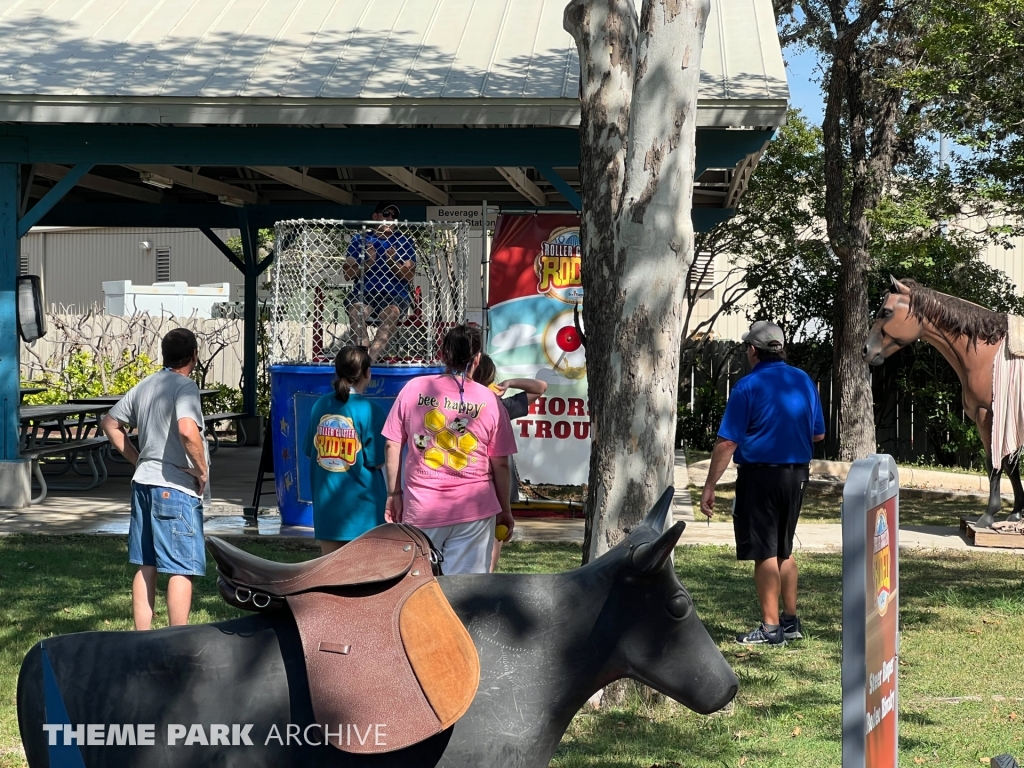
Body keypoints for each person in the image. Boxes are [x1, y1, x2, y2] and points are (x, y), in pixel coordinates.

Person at [700, 321, 825, 647]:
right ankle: (790, 621)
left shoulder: (747, 386)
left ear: (753, 350)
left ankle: (770, 629)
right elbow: (818, 434)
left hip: (760, 476)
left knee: (764, 552)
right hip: (797, 475)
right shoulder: (803, 380)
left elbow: (728, 442)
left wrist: (710, 485)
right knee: (785, 549)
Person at [382, 326, 517, 574]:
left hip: (422, 507)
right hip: (475, 511)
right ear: (477, 358)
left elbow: (392, 443)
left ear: (442, 354)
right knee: (465, 589)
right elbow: (500, 463)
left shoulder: (413, 388)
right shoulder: (491, 401)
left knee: (418, 584)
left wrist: (394, 493)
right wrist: (505, 510)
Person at [100, 328, 210, 630]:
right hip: (174, 487)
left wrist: (139, 460)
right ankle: (177, 638)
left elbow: (109, 423)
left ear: (165, 354)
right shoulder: (185, 387)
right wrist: (201, 469)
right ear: (193, 355)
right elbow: (187, 430)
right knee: (181, 566)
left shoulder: (146, 384)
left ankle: (142, 638)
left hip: (143, 485)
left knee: (145, 563)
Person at [304, 346, 387, 556]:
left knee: (329, 569)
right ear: (368, 373)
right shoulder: (371, 410)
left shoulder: (320, 405)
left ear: (337, 371)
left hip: (327, 509)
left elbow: (310, 451)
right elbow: (377, 461)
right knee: (363, 571)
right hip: (363, 512)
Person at [472, 353, 547, 571]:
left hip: (479, 483)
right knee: (494, 536)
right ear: (489, 378)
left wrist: (508, 383)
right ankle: (487, 575)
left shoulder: (499, 406)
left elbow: (540, 387)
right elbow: (540, 388)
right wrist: (509, 383)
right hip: (490, 483)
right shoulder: (497, 406)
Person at [344, 201, 416, 362]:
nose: (390, 218)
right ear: (375, 216)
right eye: (386, 214)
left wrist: (392, 262)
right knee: (356, 310)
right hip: (365, 293)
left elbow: (409, 276)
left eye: (394, 216)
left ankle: (370, 360)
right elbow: (348, 274)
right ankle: (362, 348)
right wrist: (368, 262)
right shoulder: (360, 239)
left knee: (392, 312)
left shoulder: (404, 241)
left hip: (394, 295)